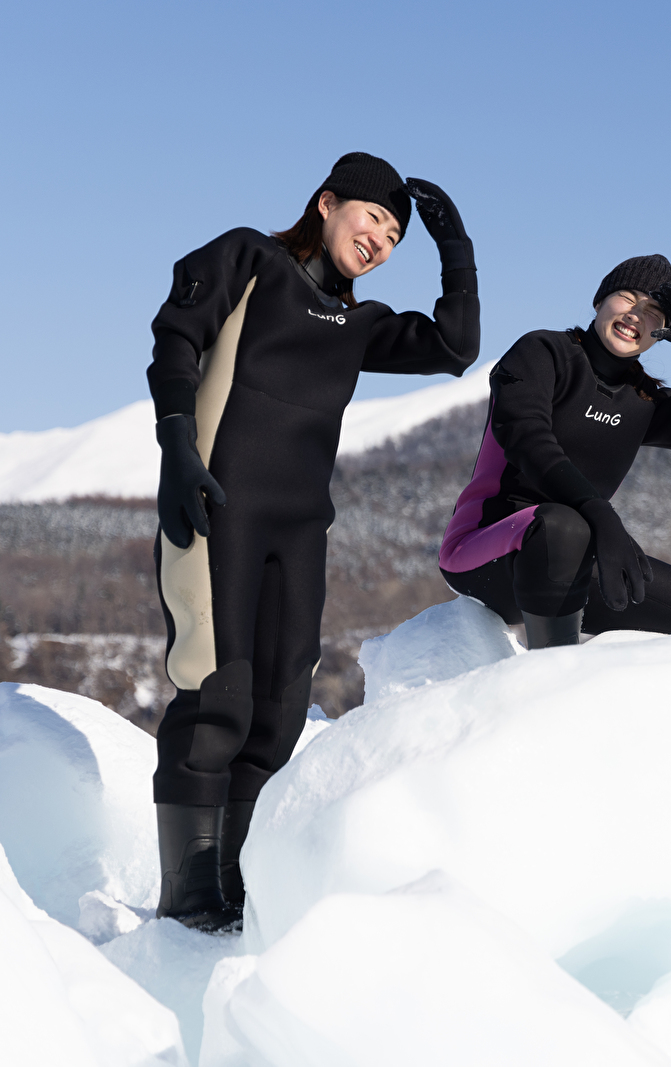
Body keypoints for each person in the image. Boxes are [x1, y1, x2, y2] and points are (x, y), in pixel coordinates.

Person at [147, 152, 480, 929]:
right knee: (215, 698)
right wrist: (178, 446)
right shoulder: (250, 259)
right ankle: (187, 904)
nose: (382, 240)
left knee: (276, 715)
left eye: (396, 235)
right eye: (374, 218)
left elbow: (456, 346)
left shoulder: (358, 324)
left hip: (299, 531)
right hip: (216, 509)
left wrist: (455, 249)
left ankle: (234, 896)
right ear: (327, 203)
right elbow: (176, 335)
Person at [439, 254, 671, 647]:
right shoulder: (544, 352)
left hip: (574, 557)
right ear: (600, 300)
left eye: (653, 312)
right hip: (484, 550)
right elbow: (526, 438)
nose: (636, 314)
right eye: (628, 298)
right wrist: (598, 512)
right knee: (563, 527)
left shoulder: (643, 400)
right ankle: (553, 675)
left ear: (662, 332)